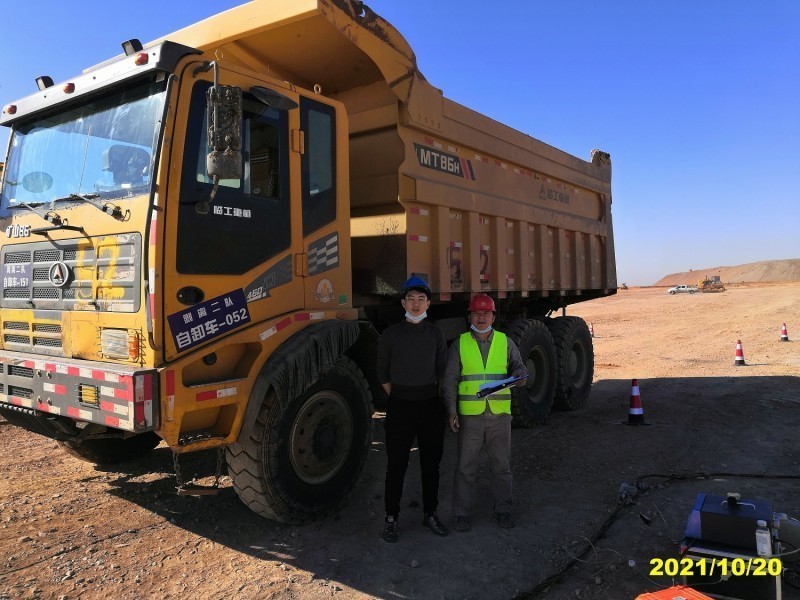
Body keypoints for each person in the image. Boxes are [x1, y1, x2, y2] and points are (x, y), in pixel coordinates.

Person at [442, 294, 527, 531]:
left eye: (486, 313)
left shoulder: (505, 342)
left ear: (493, 316)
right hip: (470, 417)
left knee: (501, 466)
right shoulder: (460, 344)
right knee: (465, 467)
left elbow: (519, 368)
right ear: (469, 316)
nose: (481, 318)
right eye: (477, 313)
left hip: (499, 415)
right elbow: (449, 380)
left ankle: (504, 510)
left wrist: (520, 376)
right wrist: (451, 410)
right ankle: (461, 514)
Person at [376, 277, 449, 543]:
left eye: (421, 299)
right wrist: (400, 396)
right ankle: (391, 517)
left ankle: (431, 513)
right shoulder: (391, 335)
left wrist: (426, 395)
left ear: (428, 303)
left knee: (431, 464)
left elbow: (441, 370)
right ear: (403, 303)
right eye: (411, 299)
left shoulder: (435, 334)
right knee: (396, 465)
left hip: (430, 406)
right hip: (400, 407)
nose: (416, 304)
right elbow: (382, 372)